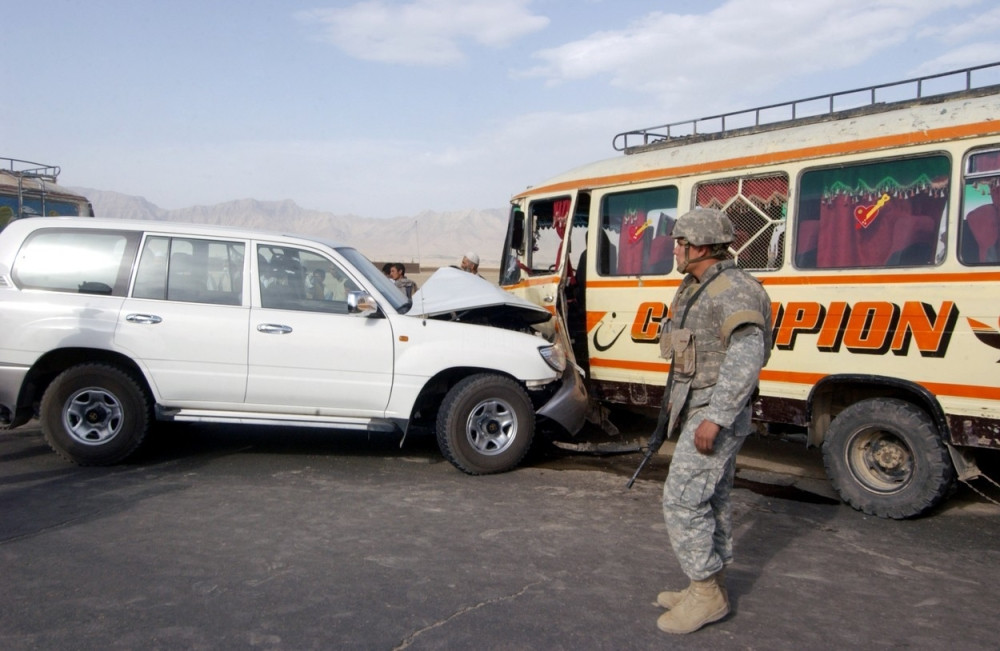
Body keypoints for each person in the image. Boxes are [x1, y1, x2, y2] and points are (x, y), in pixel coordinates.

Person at [654, 208, 772, 635]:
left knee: (682, 499)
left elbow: (745, 358)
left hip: (714, 410)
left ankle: (706, 594)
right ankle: (708, 584)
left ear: (699, 246)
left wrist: (717, 418)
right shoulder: (698, 285)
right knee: (711, 498)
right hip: (697, 404)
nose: (675, 248)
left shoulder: (733, 290)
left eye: (680, 242)